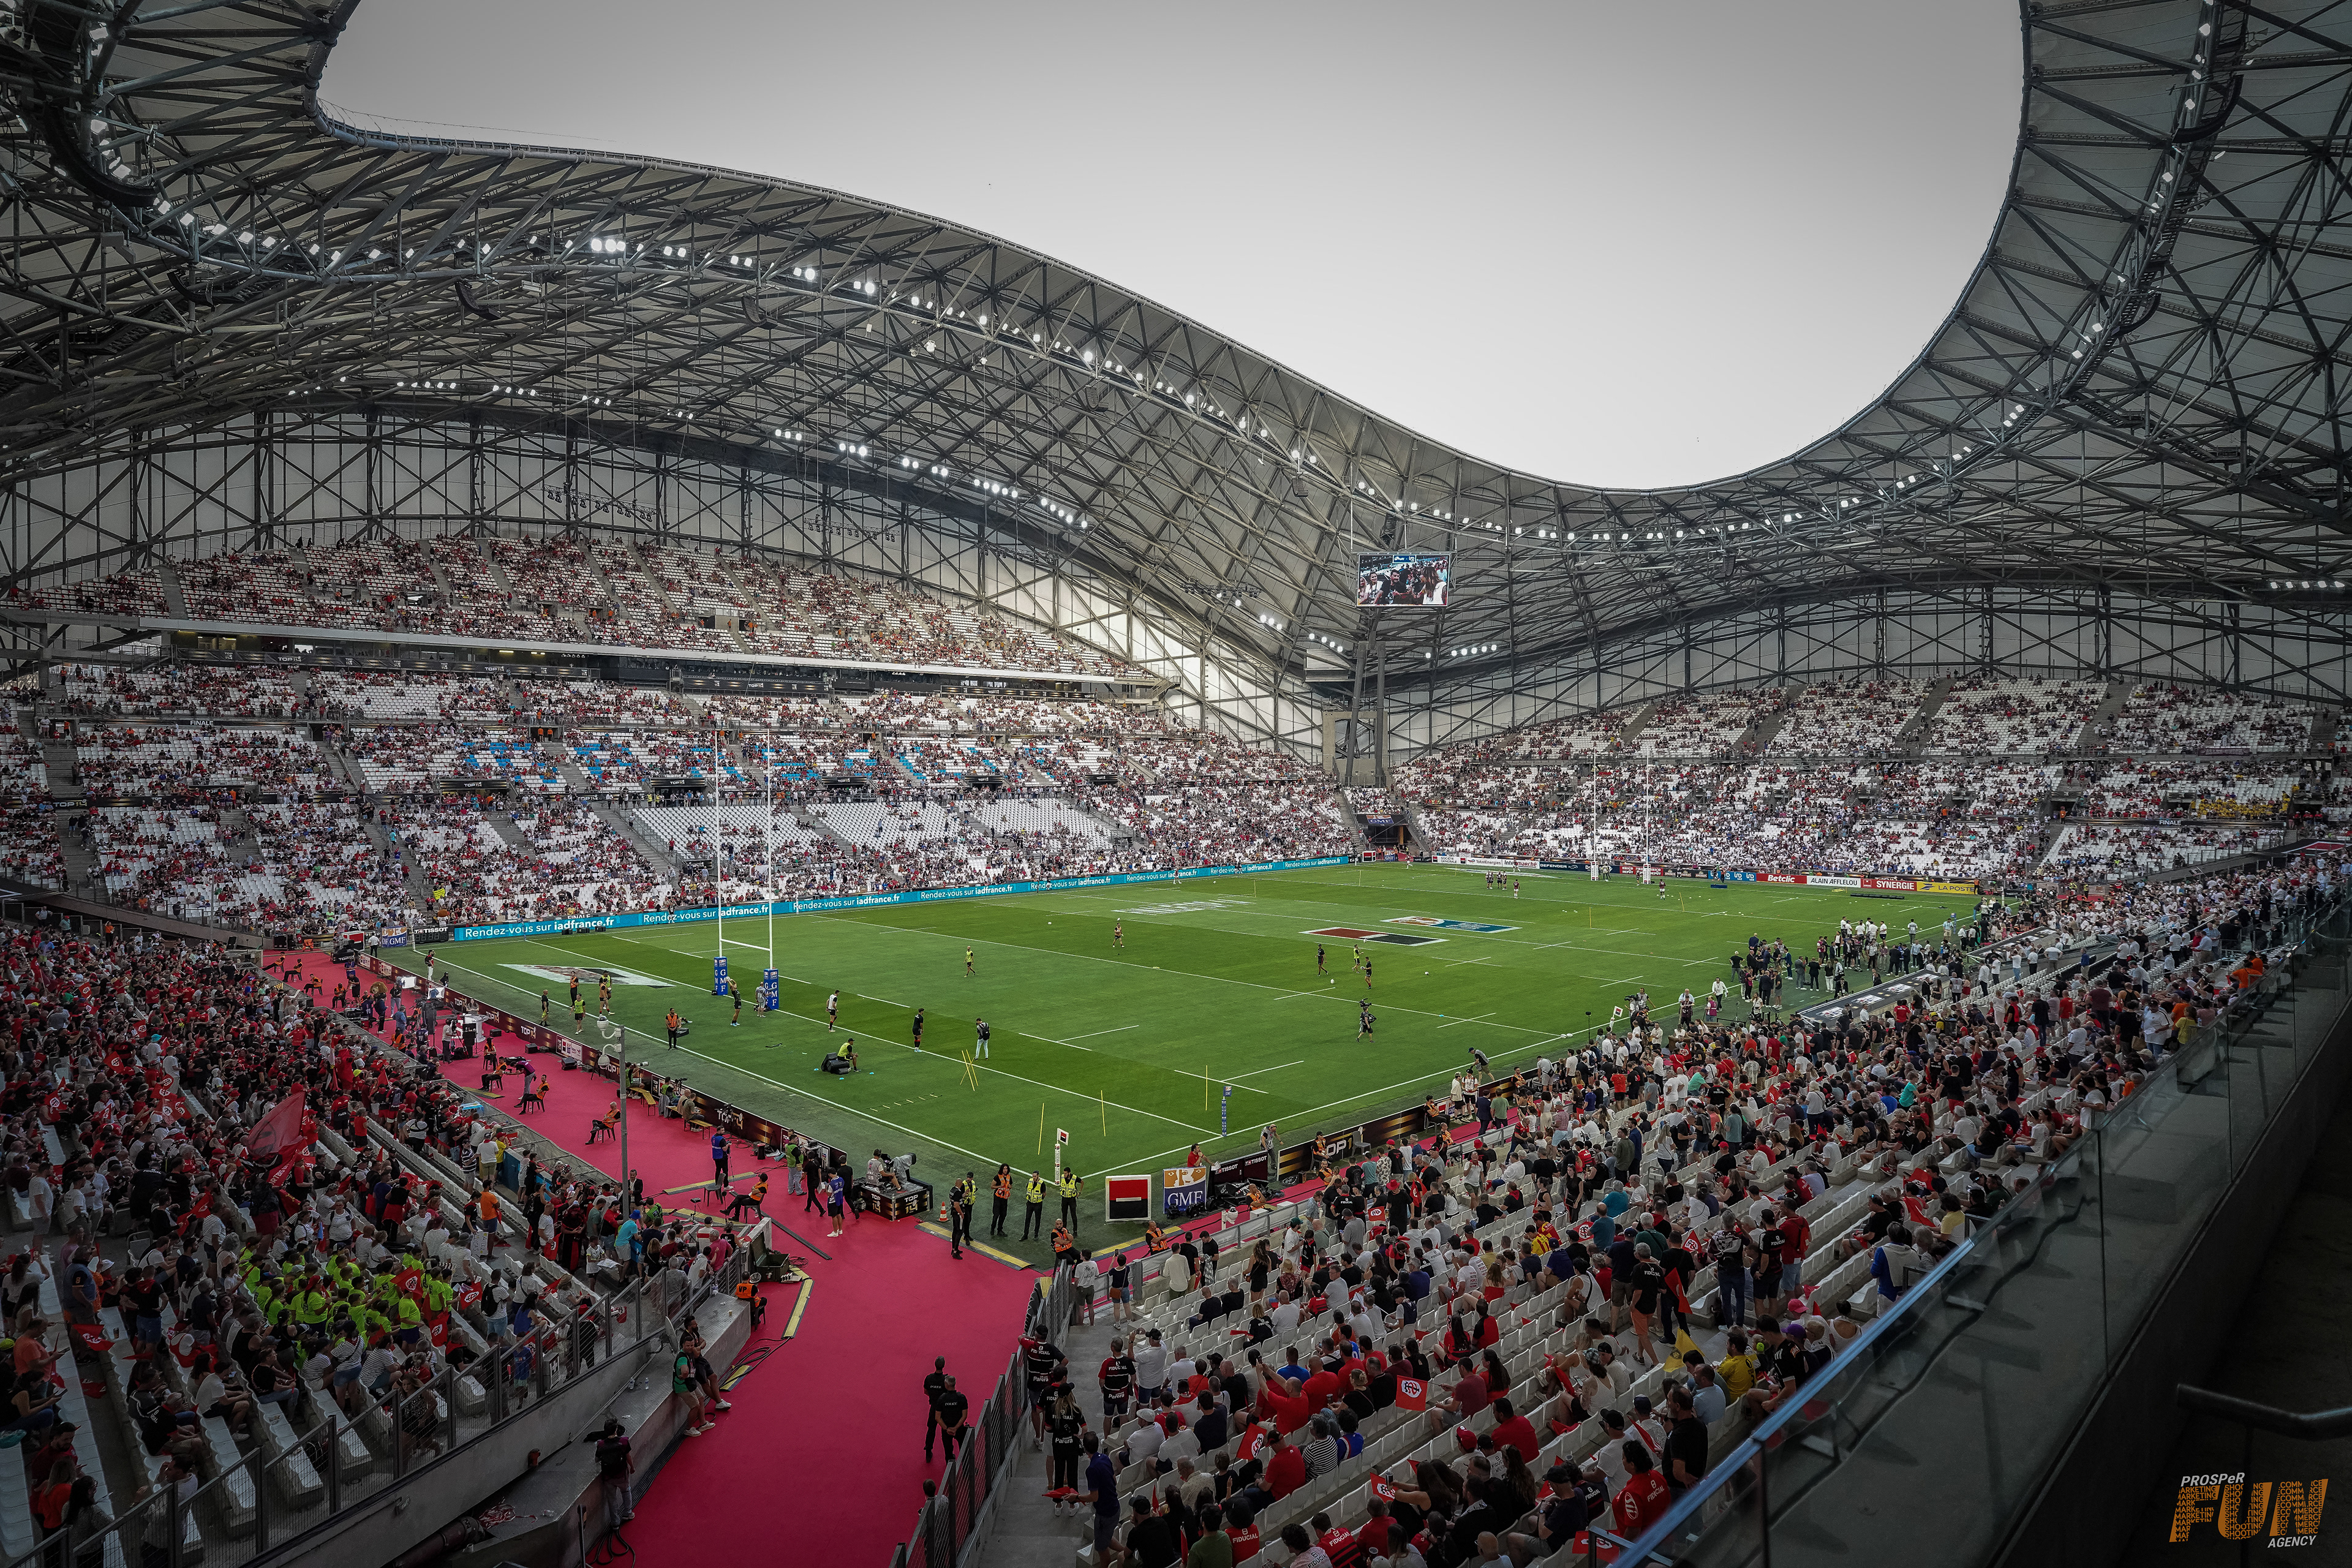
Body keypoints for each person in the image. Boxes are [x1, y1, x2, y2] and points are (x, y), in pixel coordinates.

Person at [595, 1417, 635, 1529]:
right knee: (626, 1491)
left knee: (612, 1499)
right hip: (621, 1474)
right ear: (616, 1429)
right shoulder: (624, 1442)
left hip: (608, 1477)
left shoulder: (601, 1444)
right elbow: (629, 1457)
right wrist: (632, 1467)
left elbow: (597, 1460)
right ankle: (628, 1513)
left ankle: (615, 1522)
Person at [935, 1373, 970, 1464]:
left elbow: (937, 1417)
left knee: (948, 1452)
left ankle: (950, 1472)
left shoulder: (941, 1399)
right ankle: (966, 1471)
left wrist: (947, 1429)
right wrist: (956, 1428)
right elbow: (964, 1416)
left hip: (946, 1430)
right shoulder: (961, 1398)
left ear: (946, 1385)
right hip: (960, 1429)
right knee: (964, 1449)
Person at [922, 1357, 951, 1460]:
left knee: (931, 1429)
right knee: (946, 1430)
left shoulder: (929, 1378)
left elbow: (925, 1391)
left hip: (934, 1407)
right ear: (943, 1366)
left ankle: (928, 1451)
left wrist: (933, 1397)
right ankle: (949, 1456)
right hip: (944, 1409)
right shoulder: (946, 1380)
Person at [949, 1174, 975, 1259]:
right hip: (958, 1214)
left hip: (953, 1213)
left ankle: (953, 1249)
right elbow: (957, 1205)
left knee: (955, 1230)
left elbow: (958, 1198)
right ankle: (956, 1251)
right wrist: (961, 1213)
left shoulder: (953, 1190)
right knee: (960, 1231)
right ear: (960, 1185)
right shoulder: (957, 1193)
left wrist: (965, 1194)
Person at [989, 1164, 1013, 1237]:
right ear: (1002, 1170)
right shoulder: (997, 1177)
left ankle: (1000, 1230)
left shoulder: (1009, 1177)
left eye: (1006, 1169)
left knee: (1003, 1215)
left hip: (1005, 1199)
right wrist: (1000, 1186)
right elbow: (992, 1186)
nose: (1005, 1170)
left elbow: (1010, 1186)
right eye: (1004, 1169)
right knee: (996, 1215)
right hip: (997, 1199)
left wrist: (1010, 1187)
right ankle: (993, 1228)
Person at [1022, 1170, 1046, 1241]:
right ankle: (1025, 1234)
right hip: (1030, 1203)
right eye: (1033, 1176)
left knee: (1037, 1219)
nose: (1034, 1178)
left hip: (1038, 1204)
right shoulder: (1030, 1181)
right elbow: (1028, 1189)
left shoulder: (1041, 1183)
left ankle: (1036, 1234)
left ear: (1038, 1176)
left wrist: (1040, 1199)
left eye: (1035, 1176)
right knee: (1027, 1219)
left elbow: (1044, 1193)